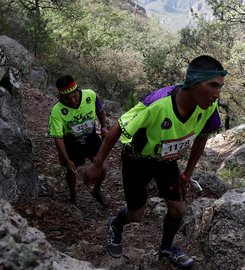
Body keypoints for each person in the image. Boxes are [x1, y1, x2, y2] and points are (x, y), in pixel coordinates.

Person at [85, 55, 228, 269]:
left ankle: (166, 248)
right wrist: (97, 163)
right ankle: (115, 224)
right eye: (213, 86)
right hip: (138, 160)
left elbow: (202, 137)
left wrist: (186, 174)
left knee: (179, 209)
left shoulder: (206, 106)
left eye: (220, 87)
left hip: (166, 160)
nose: (217, 95)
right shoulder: (158, 104)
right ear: (194, 82)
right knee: (136, 214)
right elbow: (117, 128)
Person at [48, 75, 108, 206]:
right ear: (61, 97)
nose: (72, 100)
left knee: (102, 168)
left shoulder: (90, 95)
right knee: (72, 170)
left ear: (77, 90)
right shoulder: (57, 111)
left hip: (91, 138)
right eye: (67, 98)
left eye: (74, 96)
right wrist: (67, 159)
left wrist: (103, 127)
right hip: (71, 143)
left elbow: (100, 110)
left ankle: (96, 190)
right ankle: (73, 193)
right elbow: (58, 137)